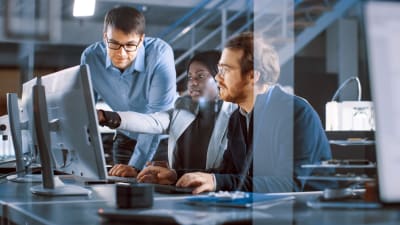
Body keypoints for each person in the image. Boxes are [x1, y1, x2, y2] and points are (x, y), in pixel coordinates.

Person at [138, 32, 332, 194]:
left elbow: (290, 184)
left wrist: (217, 182)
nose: (217, 78)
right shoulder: (237, 117)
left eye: (224, 70)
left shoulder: (295, 113)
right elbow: (228, 172)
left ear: (252, 76)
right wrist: (175, 175)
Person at [98, 51, 237, 179]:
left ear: (221, 78)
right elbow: (151, 122)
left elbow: (233, 172)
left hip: (217, 195)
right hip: (181, 193)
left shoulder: (237, 116)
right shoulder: (181, 110)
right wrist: (109, 117)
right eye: (190, 77)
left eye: (200, 76)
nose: (193, 83)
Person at [80, 6, 177, 177]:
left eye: (130, 45)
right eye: (114, 44)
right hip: (125, 137)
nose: (121, 53)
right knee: (118, 191)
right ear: (105, 38)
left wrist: (135, 166)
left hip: (161, 142)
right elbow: (84, 110)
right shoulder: (91, 58)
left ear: (141, 40)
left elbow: (157, 119)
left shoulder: (160, 54)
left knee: (156, 198)